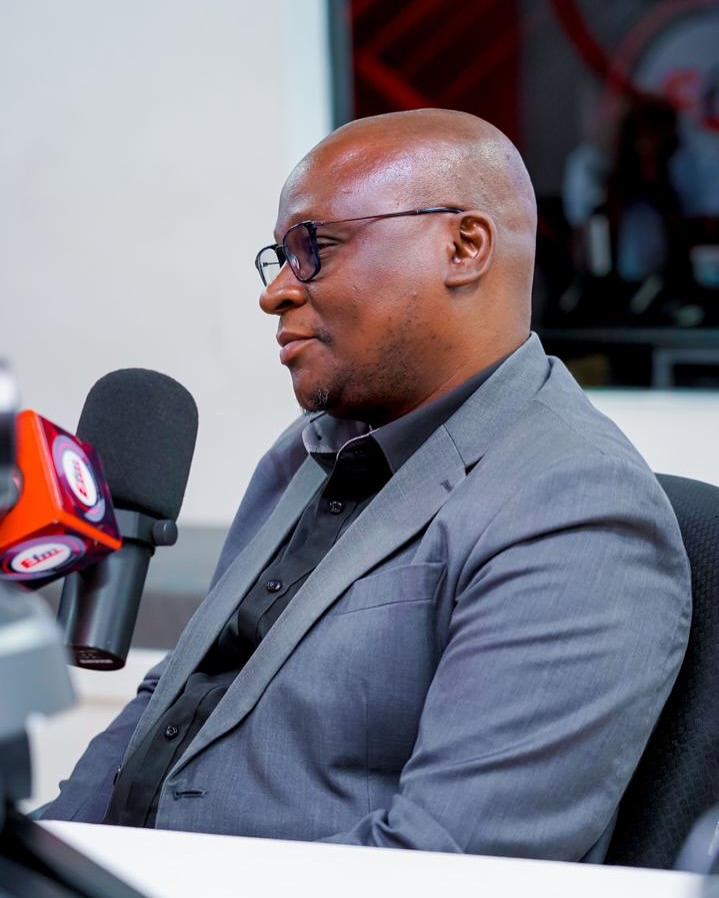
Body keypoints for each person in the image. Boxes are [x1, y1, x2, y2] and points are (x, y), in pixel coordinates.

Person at [42, 109, 691, 863]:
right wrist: (43, 853)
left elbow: (442, 867)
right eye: (279, 257)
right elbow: (178, 696)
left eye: (314, 248)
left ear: (464, 246)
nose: (275, 293)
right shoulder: (308, 451)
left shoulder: (576, 510)